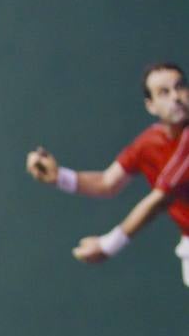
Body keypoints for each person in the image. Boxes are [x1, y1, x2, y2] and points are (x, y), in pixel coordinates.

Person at [26, 61, 189, 286]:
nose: (176, 97)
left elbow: (160, 200)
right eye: (164, 92)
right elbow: (107, 183)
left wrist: (108, 245)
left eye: (180, 87)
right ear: (150, 106)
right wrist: (59, 178)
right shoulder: (149, 143)